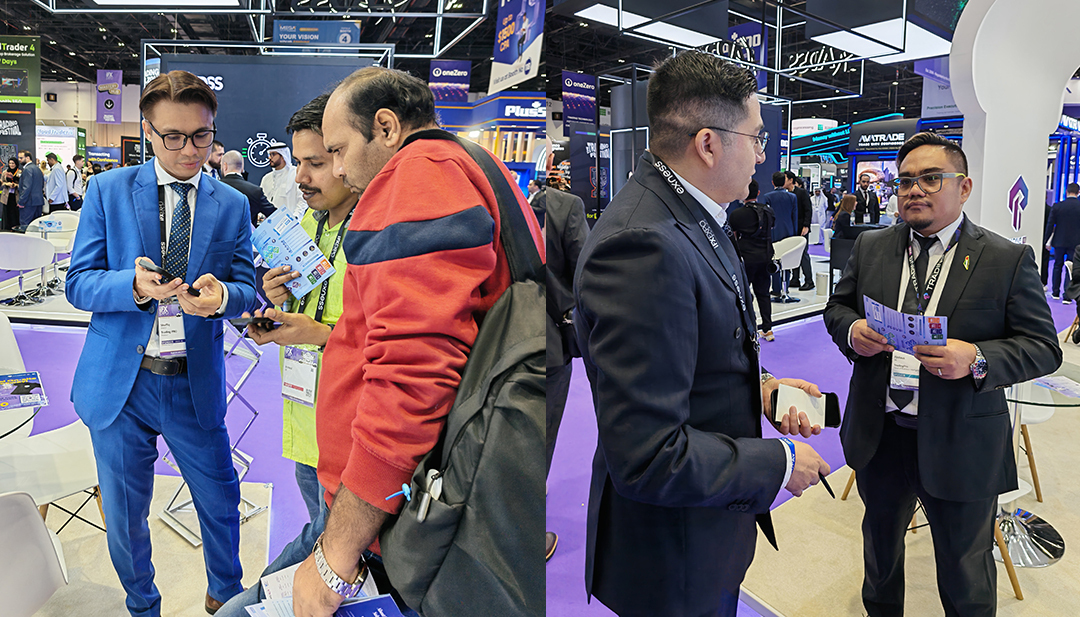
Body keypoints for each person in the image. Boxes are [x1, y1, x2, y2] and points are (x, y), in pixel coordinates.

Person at [215, 66, 543, 617]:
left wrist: (335, 558)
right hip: (427, 489)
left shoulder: (418, 177)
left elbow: (412, 379)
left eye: (338, 151)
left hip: (404, 506)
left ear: (387, 128)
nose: (339, 169)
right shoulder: (470, 165)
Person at [573, 50, 830, 617]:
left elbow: (700, 342)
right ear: (709, 144)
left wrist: (761, 386)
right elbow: (647, 455)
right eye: (756, 138)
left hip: (702, 529)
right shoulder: (644, 244)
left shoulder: (688, 215)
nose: (761, 154)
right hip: (674, 553)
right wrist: (780, 462)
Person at [823, 131, 1061, 617]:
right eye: (905, 180)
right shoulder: (871, 246)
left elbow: (1043, 348)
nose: (915, 189)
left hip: (961, 440)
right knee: (879, 554)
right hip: (880, 434)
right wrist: (852, 332)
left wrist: (976, 358)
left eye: (931, 178)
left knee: (965, 570)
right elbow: (837, 308)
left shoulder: (1006, 258)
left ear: (964, 187)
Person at [65, 70, 257, 617]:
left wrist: (222, 298)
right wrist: (130, 286)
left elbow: (246, 288)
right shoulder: (107, 191)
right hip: (121, 386)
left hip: (192, 383)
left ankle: (225, 595)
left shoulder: (231, 203)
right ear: (148, 132)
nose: (190, 150)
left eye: (201, 135)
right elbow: (78, 283)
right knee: (125, 514)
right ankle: (142, 605)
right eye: (173, 136)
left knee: (220, 499)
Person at [233, 94, 357, 526]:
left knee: (344, 547)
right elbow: (304, 301)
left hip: (353, 430)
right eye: (298, 161)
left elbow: (398, 345)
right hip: (304, 419)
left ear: (347, 157)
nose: (300, 176)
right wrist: (277, 298)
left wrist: (319, 334)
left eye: (315, 163)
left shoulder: (378, 234)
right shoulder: (305, 223)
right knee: (318, 526)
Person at [540, 182, 589, 561]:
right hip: (548, 342)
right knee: (541, 435)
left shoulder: (490, 199)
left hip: (494, 337)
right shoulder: (565, 206)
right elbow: (584, 272)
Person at [729, 179, 776, 341]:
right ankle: (768, 329)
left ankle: (746, 328)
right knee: (764, 293)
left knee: (743, 294)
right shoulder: (768, 211)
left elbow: (733, 237)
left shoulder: (736, 214)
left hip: (745, 259)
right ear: (758, 193)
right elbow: (771, 229)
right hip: (765, 258)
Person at [760, 170, 798, 297]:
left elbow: (766, 216)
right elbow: (794, 216)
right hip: (789, 231)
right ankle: (785, 286)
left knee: (775, 258)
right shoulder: (792, 197)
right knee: (787, 259)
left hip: (773, 231)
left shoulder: (768, 197)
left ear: (773, 183)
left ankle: (776, 287)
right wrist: (794, 233)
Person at [1044, 182, 1080, 302]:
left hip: (1059, 240)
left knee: (1057, 265)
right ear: (1078, 192)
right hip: (1076, 243)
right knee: (1071, 268)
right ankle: (1067, 296)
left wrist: (1046, 240)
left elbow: (1050, 225)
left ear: (1066, 191)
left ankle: (1055, 292)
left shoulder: (1057, 206)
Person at [219, 150, 275, 227]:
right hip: (248, 234)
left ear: (225, 166)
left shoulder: (214, 189)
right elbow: (275, 215)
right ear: (242, 168)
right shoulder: (255, 191)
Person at [260, 139, 305, 218]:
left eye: (273, 154)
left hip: (291, 221)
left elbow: (302, 200)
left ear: (283, 155)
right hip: (269, 222)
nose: (269, 157)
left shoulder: (296, 174)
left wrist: (296, 217)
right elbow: (261, 201)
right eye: (269, 154)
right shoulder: (266, 178)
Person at [788, 172, 814, 290]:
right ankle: (795, 279)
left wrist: (806, 225)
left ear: (790, 180)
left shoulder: (801, 192)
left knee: (803, 254)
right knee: (793, 253)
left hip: (801, 228)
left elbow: (808, 209)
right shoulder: (786, 193)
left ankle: (809, 280)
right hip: (791, 228)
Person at [16, 150, 44, 226]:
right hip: (38, 201)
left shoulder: (27, 169)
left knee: (25, 225)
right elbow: (41, 185)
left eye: (21, 158)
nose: (19, 160)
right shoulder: (37, 169)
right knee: (36, 226)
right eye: (19, 158)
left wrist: (21, 202)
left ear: (28, 158)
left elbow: (26, 187)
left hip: (28, 202)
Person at [1, 157, 18, 230]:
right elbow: (1, 183)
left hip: (16, 196)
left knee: (15, 212)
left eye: (13, 163)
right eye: (10, 163)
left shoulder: (19, 172)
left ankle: (15, 227)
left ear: (16, 164)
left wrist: (15, 185)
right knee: (6, 212)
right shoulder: (5, 172)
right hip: (6, 196)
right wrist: (7, 184)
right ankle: (7, 228)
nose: (11, 165)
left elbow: (23, 184)